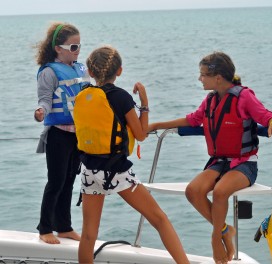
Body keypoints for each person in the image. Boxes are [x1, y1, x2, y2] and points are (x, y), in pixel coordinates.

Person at [148, 51, 272, 264]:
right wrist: (157, 125)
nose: (200, 78)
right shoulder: (210, 100)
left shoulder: (244, 97)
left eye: (203, 74)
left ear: (218, 77)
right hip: (219, 162)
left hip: (245, 164)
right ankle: (225, 230)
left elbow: (266, 116)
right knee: (193, 191)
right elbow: (193, 120)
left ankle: (216, 239)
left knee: (220, 192)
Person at [74, 45, 190, 264]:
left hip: (89, 170)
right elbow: (141, 134)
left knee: (89, 234)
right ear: (119, 71)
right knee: (160, 220)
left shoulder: (84, 95)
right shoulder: (122, 97)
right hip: (116, 171)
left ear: (90, 72)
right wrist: (144, 104)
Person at [34, 22, 88, 244]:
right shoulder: (49, 71)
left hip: (78, 134)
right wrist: (40, 112)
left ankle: (64, 227)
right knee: (55, 181)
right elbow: (45, 100)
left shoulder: (80, 68)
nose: (78, 50)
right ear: (59, 48)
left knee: (69, 180)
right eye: (73, 46)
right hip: (58, 134)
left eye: (79, 46)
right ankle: (44, 228)